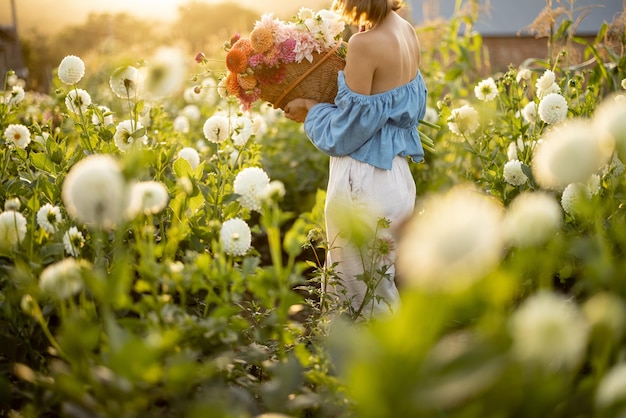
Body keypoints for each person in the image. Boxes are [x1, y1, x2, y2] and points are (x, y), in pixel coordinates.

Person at [284, 0, 427, 321]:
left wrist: (309, 108)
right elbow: (391, 109)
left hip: (362, 178)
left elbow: (346, 133)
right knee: (380, 284)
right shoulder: (407, 32)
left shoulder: (364, 44)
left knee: (353, 293)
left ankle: (361, 366)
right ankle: (395, 362)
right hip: (397, 177)